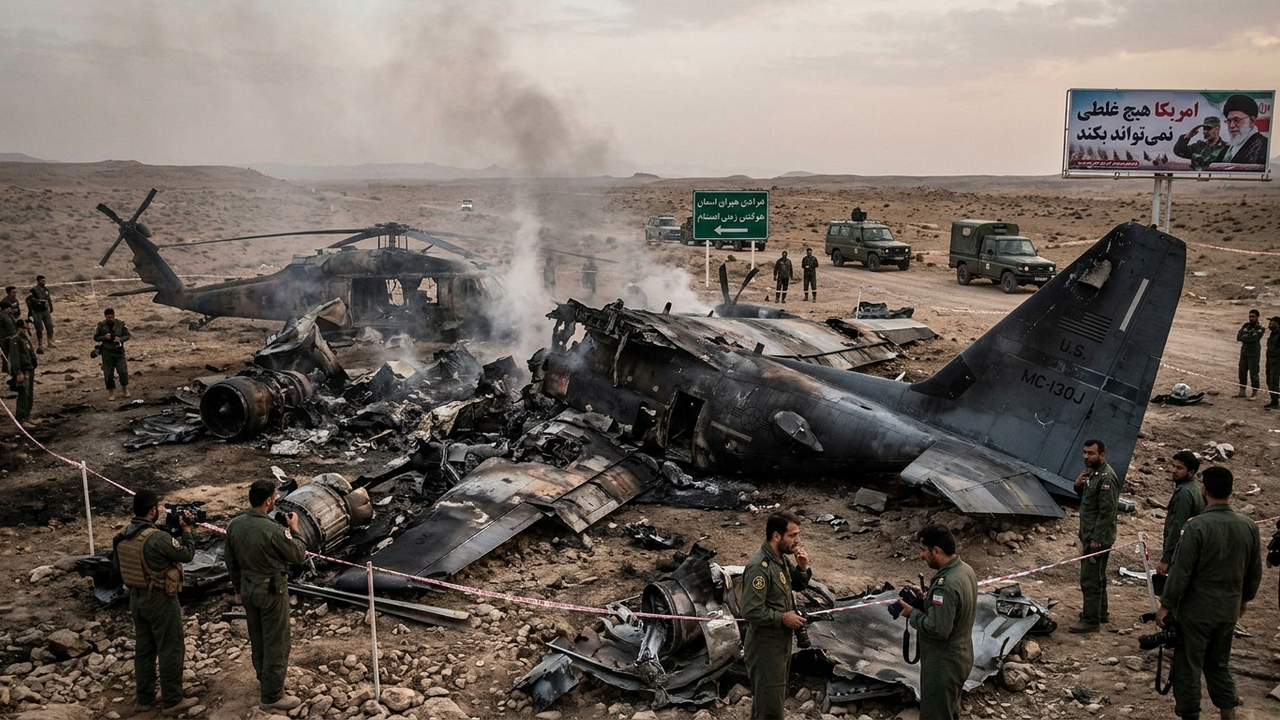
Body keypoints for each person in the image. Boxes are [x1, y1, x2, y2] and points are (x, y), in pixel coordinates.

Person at [1157, 466, 1262, 720]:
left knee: (1188, 666)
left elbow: (1181, 572)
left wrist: (1166, 605)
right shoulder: (1249, 526)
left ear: (1204, 491)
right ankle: (1228, 713)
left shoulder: (1196, 527)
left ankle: (1190, 714)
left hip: (1196, 612)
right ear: (1231, 492)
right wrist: (1244, 600)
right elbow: (1254, 572)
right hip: (1228, 611)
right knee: (1218, 663)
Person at [111, 489, 199, 716]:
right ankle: (172, 700)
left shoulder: (122, 537)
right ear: (152, 510)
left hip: (136, 598)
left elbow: (116, 569)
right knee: (171, 648)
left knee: (144, 649)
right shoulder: (156, 538)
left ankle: (145, 698)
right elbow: (187, 554)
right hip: (160, 599)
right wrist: (187, 531)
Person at [224, 479, 307, 712]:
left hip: (248, 590)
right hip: (271, 591)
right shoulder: (274, 530)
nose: (276, 500)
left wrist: (238, 590)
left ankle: (264, 679)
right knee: (277, 642)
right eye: (275, 497)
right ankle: (271, 697)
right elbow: (298, 554)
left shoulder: (234, 525)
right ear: (268, 500)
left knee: (258, 637)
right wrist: (295, 529)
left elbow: (231, 561)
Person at [898, 525, 978, 720]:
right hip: (960, 657)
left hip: (943, 665)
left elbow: (939, 629)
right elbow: (953, 610)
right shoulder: (965, 570)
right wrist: (926, 601)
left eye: (923, 550)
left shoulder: (946, 584)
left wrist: (912, 614)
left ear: (936, 551)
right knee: (948, 711)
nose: (921, 555)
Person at [741, 510, 811, 720]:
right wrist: (782, 617)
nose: (797, 540)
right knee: (769, 708)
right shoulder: (759, 567)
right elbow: (750, 610)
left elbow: (794, 585)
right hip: (765, 647)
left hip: (779, 645)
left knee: (771, 703)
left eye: (798, 535)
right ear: (776, 536)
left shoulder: (779, 560)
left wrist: (802, 568)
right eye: (792, 535)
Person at [1071, 438, 1119, 633]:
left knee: (1090, 579)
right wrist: (1078, 485)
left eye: (1091, 453)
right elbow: (1087, 499)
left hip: (1096, 538)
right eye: (1084, 452)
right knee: (1098, 576)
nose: (1086, 456)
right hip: (1089, 534)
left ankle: (1091, 620)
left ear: (1102, 455)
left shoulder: (1106, 479)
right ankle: (1100, 612)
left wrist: (1097, 538)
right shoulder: (1093, 474)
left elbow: (1107, 512)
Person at [1156, 450, 1205, 578]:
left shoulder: (1185, 493)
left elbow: (1177, 526)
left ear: (1191, 472)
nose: (1174, 471)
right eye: (1173, 466)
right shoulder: (1195, 488)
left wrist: (1166, 559)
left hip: (1182, 553)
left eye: (1179, 468)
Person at [93, 307, 131, 399]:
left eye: (112, 317)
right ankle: (111, 393)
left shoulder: (120, 324)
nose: (110, 319)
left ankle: (125, 390)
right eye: (108, 317)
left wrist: (120, 339)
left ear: (114, 316)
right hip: (107, 352)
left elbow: (128, 335)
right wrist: (104, 337)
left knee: (123, 372)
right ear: (105, 316)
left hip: (119, 351)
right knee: (108, 374)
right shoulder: (101, 325)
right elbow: (96, 337)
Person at [1222, 94, 1269, 166]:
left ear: (1252, 121)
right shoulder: (1227, 149)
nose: (1231, 125)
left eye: (1237, 120)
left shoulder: (1265, 147)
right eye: (1229, 121)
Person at [7, 320, 36, 422]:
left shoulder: (25, 339)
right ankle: (21, 418)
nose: (25, 330)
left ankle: (27, 416)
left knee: (29, 395)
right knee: (24, 395)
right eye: (23, 328)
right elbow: (14, 358)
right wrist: (18, 372)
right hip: (23, 370)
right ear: (18, 328)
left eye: (26, 328)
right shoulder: (15, 340)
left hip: (29, 368)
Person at [1234, 309, 1264, 398]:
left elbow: (1253, 338)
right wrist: (1247, 337)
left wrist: (1245, 337)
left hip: (1253, 353)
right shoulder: (1246, 326)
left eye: (1253, 317)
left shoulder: (1260, 328)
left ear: (1257, 317)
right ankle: (1242, 392)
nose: (1251, 318)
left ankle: (1254, 393)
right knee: (1242, 372)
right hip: (1244, 352)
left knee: (1254, 373)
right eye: (1250, 316)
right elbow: (1239, 337)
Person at [25, 275, 53, 353]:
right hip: (37, 312)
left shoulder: (46, 290)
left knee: (50, 326)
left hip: (45, 311)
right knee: (39, 328)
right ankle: (40, 344)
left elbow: (48, 299)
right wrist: (38, 303)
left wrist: (51, 307)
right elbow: (29, 300)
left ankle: (50, 341)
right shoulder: (33, 290)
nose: (44, 282)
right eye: (42, 281)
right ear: (38, 281)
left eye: (44, 281)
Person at [1266, 316, 1280, 411]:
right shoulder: (1273, 334)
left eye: (1272, 322)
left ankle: (1275, 402)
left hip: (1277, 361)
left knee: (1273, 381)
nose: (1270, 323)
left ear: (1277, 324)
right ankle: (1274, 400)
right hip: (1270, 361)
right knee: (1269, 381)